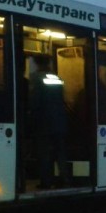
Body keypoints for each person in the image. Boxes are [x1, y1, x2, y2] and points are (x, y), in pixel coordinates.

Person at [29, 55, 69, 189]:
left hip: (44, 123)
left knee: (44, 154)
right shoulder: (56, 77)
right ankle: (65, 179)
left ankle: (46, 182)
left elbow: (34, 101)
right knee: (60, 153)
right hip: (60, 122)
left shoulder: (36, 78)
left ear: (37, 63)